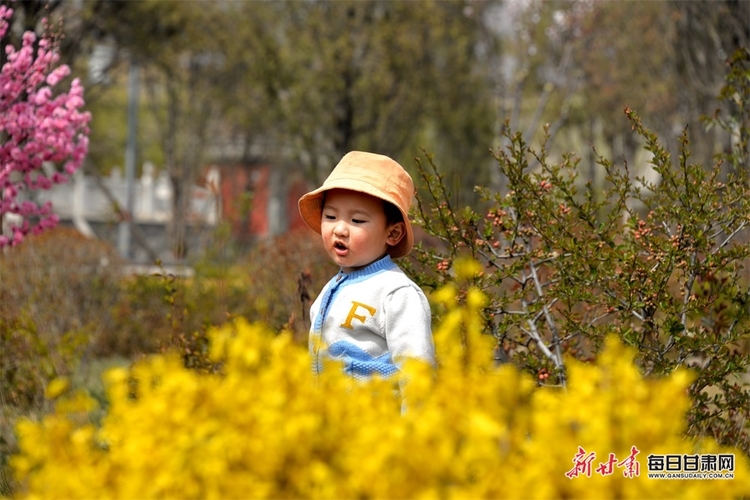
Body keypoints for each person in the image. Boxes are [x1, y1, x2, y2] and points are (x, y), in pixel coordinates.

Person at [297, 151, 436, 380]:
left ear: (393, 233)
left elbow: (417, 374)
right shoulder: (329, 291)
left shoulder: (397, 294)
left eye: (357, 221)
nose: (340, 229)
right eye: (330, 217)